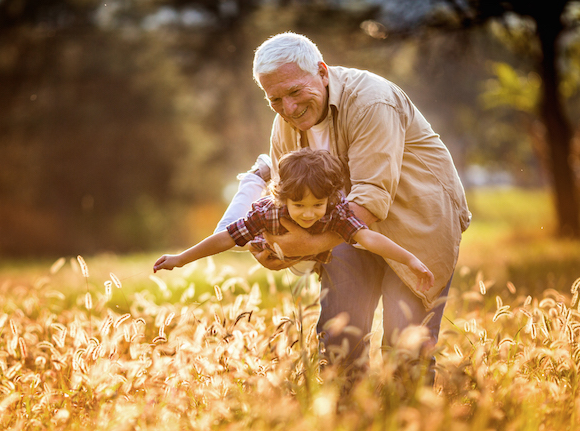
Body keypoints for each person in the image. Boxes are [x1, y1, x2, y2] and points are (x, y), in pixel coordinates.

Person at [215, 32, 471, 367]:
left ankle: (411, 416)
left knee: (405, 346)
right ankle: (347, 414)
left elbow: (368, 201)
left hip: (416, 224)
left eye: (294, 91)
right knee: (339, 339)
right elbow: (285, 198)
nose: (288, 109)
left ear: (322, 72)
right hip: (345, 227)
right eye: (275, 100)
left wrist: (300, 247)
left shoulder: (371, 101)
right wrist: (272, 245)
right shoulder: (285, 123)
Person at [155, 148, 435, 295]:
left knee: (314, 260)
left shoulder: (336, 211)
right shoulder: (268, 211)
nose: (309, 213)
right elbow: (225, 237)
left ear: (330, 199)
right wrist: (181, 258)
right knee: (231, 236)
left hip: (307, 250)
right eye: (299, 205)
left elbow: (369, 238)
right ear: (284, 199)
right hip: (268, 235)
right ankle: (257, 175)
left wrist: (409, 259)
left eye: (317, 205)